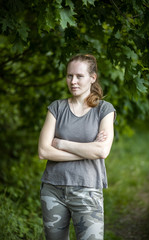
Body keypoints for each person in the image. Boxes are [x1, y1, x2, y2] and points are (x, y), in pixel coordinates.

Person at [38, 54, 116, 240]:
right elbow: (43, 151)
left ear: (92, 77)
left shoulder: (104, 110)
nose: (73, 81)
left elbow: (102, 151)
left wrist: (62, 144)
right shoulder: (56, 108)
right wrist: (87, 152)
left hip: (88, 190)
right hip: (53, 189)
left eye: (79, 76)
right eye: (69, 76)